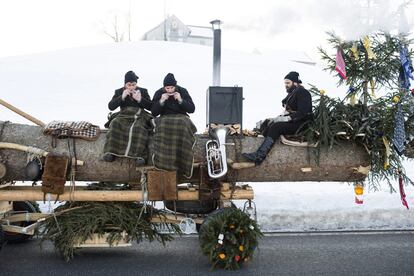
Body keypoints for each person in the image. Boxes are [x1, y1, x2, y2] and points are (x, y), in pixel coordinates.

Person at [243, 71, 312, 165]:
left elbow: (303, 112)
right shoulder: (293, 92)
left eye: (288, 83)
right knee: (268, 123)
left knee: (276, 127)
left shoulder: (303, 92)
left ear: (295, 82)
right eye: (285, 83)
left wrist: (285, 119)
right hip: (294, 121)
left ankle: (260, 155)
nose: (286, 85)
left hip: (301, 124)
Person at [151, 73, 197, 178]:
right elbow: (154, 112)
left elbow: (192, 109)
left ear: (175, 86)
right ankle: (164, 163)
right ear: (164, 87)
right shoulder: (159, 92)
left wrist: (180, 100)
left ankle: (183, 161)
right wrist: (161, 101)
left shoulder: (182, 91)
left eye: (172, 87)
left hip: (181, 116)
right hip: (165, 117)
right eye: (167, 88)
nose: (170, 90)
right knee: (161, 125)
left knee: (183, 123)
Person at [103, 71, 153, 165]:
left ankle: (140, 156)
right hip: (123, 115)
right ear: (125, 84)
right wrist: (121, 97)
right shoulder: (119, 91)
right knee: (115, 123)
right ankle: (110, 152)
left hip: (139, 115)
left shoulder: (143, 91)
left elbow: (150, 106)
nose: (131, 87)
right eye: (129, 85)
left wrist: (140, 99)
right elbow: (111, 106)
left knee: (139, 127)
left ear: (136, 84)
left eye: (133, 85)